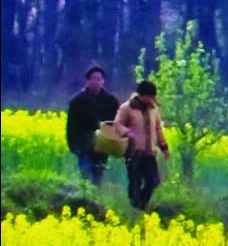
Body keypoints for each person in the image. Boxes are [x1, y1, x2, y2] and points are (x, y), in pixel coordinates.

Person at [62, 64, 119, 191]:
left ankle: (96, 204)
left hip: (103, 146)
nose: (96, 82)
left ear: (103, 81)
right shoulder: (77, 101)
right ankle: (87, 201)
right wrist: (73, 146)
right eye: (93, 79)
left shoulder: (110, 101)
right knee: (86, 177)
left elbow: (116, 122)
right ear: (87, 81)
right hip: (84, 146)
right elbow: (71, 127)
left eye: (99, 79)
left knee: (98, 177)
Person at [114, 77, 166, 212]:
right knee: (135, 182)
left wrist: (164, 147)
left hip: (150, 152)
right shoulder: (127, 108)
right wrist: (128, 132)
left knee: (153, 181)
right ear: (142, 95)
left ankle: (140, 206)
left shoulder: (153, 109)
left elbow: (158, 129)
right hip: (134, 152)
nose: (153, 100)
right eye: (150, 96)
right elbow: (117, 125)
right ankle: (135, 208)